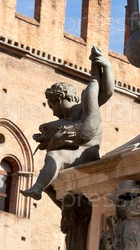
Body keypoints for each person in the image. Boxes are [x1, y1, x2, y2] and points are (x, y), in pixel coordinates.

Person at [21, 46, 115, 200]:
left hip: (87, 154)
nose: (53, 112)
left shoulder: (85, 104)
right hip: (76, 154)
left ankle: (37, 189)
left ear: (59, 99)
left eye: (52, 106)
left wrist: (106, 66)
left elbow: (106, 91)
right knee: (49, 181)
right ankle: (67, 206)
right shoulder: (67, 119)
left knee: (56, 156)